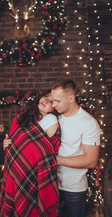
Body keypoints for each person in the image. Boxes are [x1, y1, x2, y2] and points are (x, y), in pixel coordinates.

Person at [0, 90, 61, 217]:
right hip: (14, 170)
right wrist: (6, 143)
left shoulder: (52, 121)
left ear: (55, 108)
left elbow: (45, 151)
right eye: (45, 96)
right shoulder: (23, 117)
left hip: (32, 174)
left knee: (29, 208)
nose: (45, 101)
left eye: (50, 102)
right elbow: (13, 143)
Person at [50, 79, 101, 217]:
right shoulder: (55, 118)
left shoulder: (88, 123)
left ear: (71, 98)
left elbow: (91, 161)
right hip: (51, 183)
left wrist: (55, 160)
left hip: (74, 188)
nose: (53, 105)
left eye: (57, 101)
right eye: (52, 101)